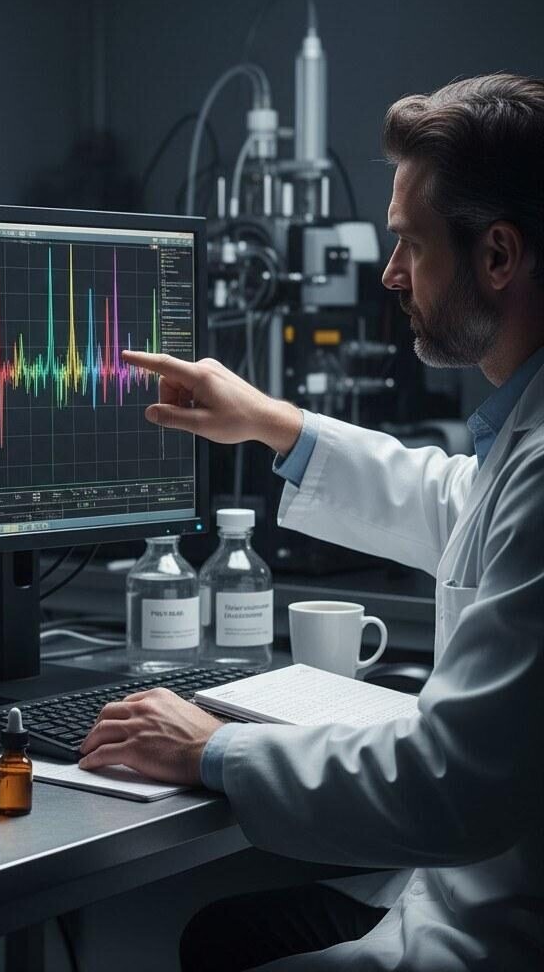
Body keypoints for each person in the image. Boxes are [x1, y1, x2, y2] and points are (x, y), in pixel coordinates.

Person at [78, 73, 544, 970]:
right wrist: (271, 422)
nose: (390, 273)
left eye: (409, 243)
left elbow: (449, 787)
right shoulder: (518, 437)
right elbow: (454, 501)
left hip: (491, 939)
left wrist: (214, 749)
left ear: (497, 257)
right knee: (220, 935)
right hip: (450, 896)